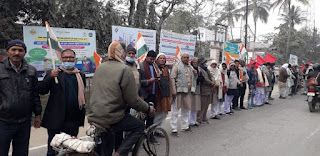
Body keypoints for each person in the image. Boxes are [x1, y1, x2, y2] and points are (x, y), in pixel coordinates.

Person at [88, 41, 155, 156]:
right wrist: (148, 109)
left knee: (106, 147)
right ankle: (119, 153)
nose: (130, 55)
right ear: (122, 54)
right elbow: (132, 99)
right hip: (112, 116)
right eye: (127, 53)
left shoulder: (100, 68)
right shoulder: (124, 69)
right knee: (139, 126)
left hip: (95, 114)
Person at [37, 49, 86, 156]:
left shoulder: (80, 75)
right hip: (56, 119)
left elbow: (82, 93)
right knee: (53, 148)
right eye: (65, 57)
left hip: (73, 119)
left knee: (71, 148)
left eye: (71, 57)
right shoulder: (54, 73)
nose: (68, 59)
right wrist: (49, 78)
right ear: (61, 59)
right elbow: (41, 90)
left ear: (75, 59)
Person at [0, 40, 42, 156]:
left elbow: (35, 94)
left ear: (25, 53)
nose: (17, 53)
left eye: (20, 50)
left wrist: (37, 114)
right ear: (8, 51)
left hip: (24, 122)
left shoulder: (31, 70)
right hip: (3, 122)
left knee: (21, 153)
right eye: (13, 50)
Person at [170, 53, 196, 136]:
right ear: (181, 58)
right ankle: (173, 129)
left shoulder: (190, 67)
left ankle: (185, 126)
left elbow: (194, 77)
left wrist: (195, 74)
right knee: (175, 111)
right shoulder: (177, 66)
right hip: (179, 92)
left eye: (187, 57)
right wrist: (173, 91)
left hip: (188, 92)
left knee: (186, 110)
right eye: (184, 57)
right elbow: (172, 78)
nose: (186, 59)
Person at [138, 50, 159, 142]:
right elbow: (138, 82)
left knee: (151, 116)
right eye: (151, 59)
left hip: (153, 95)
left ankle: (150, 136)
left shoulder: (155, 66)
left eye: (153, 59)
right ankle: (140, 138)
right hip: (144, 95)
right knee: (142, 118)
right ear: (146, 57)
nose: (152, 61)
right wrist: (148, 81)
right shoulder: (141, 66)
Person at [153, 53, 172, 130]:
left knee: (164, 113)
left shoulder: (166, 69)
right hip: (158, 94)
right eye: (160, 58)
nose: (162, 60)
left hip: (166, 94)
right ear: (157, 59)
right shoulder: (154, 67)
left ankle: (158, 129)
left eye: (164, 58)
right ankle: (152, 130)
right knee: (158, 114)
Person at [189, 57, 202, 127]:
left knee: (196, 106)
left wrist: (199, 78)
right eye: (193, 62)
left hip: (197, 88)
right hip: (191, 88)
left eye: (196, 62)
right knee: (190, 105)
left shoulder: (199, 69)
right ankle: (189, 121)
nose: (195, 63)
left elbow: (201, 77)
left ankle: (193, 121)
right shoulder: (190, 68)